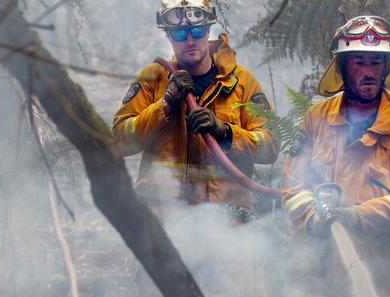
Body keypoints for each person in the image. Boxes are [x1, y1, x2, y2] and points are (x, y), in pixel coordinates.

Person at [113, 0, 278, 214]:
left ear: (208, 29)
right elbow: (119, 141)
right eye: (180, 34)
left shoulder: (242, 81)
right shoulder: (152, 78)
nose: (190, 40)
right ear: (168, 36)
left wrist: (227, 134)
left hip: (226, 224)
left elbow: (271, 146)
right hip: (164, 217)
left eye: (197, 31)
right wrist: (164, 105)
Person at [282, 15, 390, 236]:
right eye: (359, 62)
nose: (369, 72)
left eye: (376, 62)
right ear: (342, 67)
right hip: (316, 257)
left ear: (387, 68)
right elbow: (293, 184)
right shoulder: (317, 118)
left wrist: (359, 216)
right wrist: (312, 219)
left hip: (380, 258)